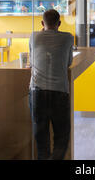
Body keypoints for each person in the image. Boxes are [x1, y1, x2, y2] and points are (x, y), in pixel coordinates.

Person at [29, 10, 74, 160]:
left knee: (42, 143)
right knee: (61, 139)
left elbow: (31, 61)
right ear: (59, 24)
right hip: (59, 93)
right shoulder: (68, 38)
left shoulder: (34, 36)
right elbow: (68, 63)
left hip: (37, 93)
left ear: (42, 23)